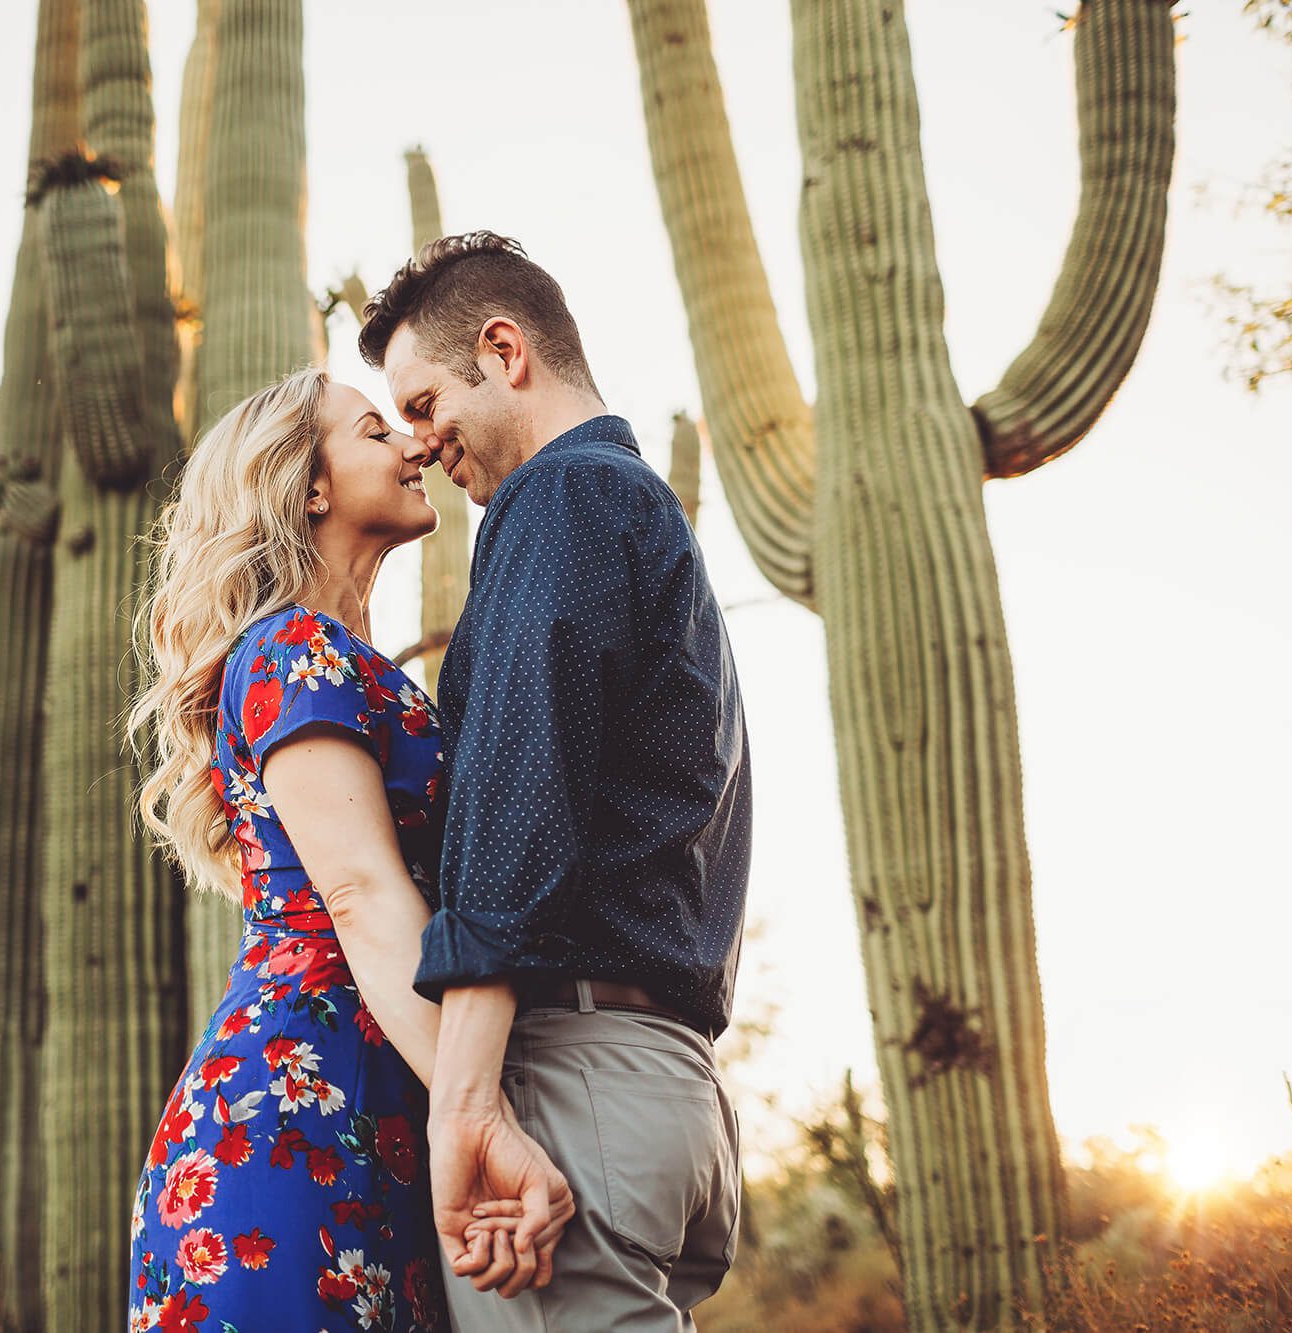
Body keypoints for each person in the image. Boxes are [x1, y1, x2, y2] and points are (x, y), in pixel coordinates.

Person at [357, 231, 753, 1328]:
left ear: (502, 349)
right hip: (662, 1087)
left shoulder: (561, 500)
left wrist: (465, 1105)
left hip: (578, 1082)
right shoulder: (635, 510)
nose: (422, 443)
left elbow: (518, 807)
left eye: (427, 402)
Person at [125, 368, 566, 1330]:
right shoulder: (291, 649)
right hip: (295, 1123)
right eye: (375, 431)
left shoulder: (342, 657)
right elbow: (363, 895)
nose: (414, 445)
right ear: (310, 485)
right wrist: (478, 1116)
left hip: (367, 1102)